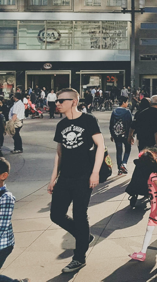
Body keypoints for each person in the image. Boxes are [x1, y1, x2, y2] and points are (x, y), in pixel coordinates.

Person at [48, 88, 104, 274]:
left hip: (83, 176)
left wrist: (95, 172)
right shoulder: (61, 125)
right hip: (65, 177)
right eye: (57, 101)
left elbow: (100, 145)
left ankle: (79, 257)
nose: (57, 104)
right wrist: (53, 178)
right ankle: (84, 236)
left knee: (80, 215)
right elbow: (59, 152)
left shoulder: (89, 120)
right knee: (56, 214)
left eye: (61, 100)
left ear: (73, 101)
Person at [109, 96, 132, 175]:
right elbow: (130, 124)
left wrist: (112, 134)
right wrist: (131, 135)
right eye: (127, 102)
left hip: (116, 134)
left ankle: (119, 168)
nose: (127, 103)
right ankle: (124, 163)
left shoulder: (114, 111)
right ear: (124, 102)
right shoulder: (127, 112)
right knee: (128, 149)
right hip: (125, 134)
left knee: (119, 151)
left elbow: (111, 123)